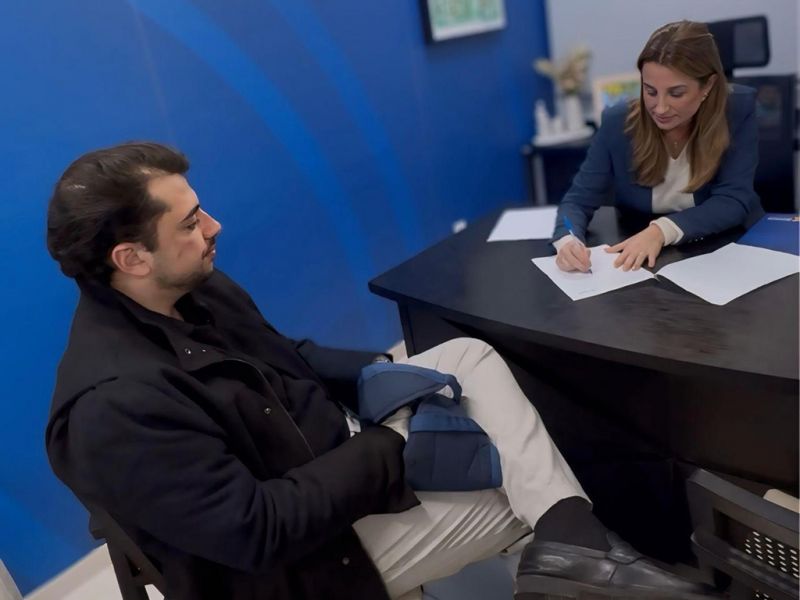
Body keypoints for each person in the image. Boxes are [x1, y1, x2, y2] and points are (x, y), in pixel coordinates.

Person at [45, 142, 709, 600]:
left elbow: (287, 356)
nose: (214, 226)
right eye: (190, 223)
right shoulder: (116, 406)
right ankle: (577, 551)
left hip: (330, 458)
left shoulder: (193, 289)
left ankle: (576, 551)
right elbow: (262, 531)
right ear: (132, 258)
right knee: (522, 485)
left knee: (467, 358)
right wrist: (390, 444)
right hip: (306, 565)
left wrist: (393, 374)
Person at [554, 20, 763, 273]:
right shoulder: (617, 122)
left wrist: (660, 231)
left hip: (728, 249)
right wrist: (568, 241)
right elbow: (577, 201)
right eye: (650, 91)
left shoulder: (737, 110)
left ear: (707, 86)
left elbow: (733, 200)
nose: (660, 108)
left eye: (676, 93)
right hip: (646, 258)